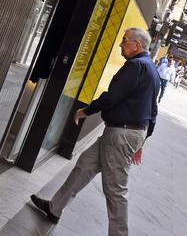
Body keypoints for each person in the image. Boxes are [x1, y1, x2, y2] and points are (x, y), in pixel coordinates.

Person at [29, 28, 160, 236]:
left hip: (121, 135)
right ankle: (55, 207)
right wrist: (142, 141)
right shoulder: (151, 69)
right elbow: (153, 111)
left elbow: (112, 97)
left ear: (137, 45)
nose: (120, 45)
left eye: (124, 41)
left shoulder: (135, 66)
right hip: (125, 133)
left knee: (115, 189)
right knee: (84, 165)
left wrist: (85, 110)